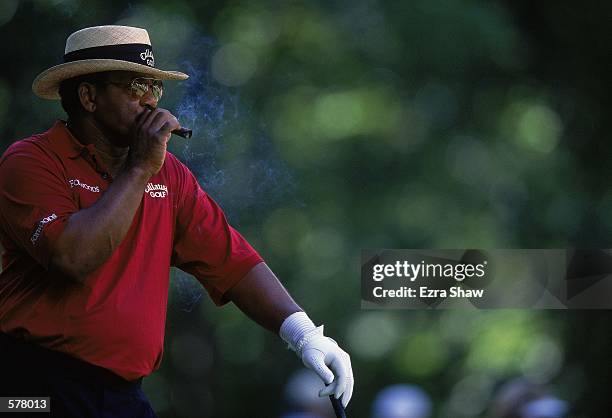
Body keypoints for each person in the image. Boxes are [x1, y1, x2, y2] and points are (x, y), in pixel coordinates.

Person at [0, 25, 353, 417]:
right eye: (136, 87)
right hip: (33, 388)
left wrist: (305, 335)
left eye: (155, 87)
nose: (151, 101)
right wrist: (139, 168)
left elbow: (231, 262)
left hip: (121, 395)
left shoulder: (168, 174)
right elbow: (74, 257)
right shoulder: (31, 162)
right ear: (88, 96)